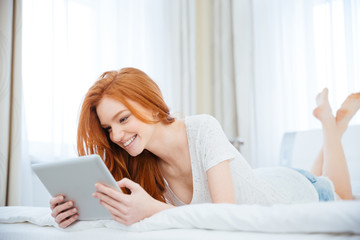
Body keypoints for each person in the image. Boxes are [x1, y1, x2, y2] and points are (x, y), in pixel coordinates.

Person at [49, 67, 360, 228]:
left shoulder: (202, 128)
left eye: (122, 118)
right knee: (314, 175)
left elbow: (224, 217)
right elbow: (130, 214)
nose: (115, 135)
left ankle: (332, 124)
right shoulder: (142, 163)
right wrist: (75, 212)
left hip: (290, 190)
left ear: (152, 106)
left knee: (341, 196)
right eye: (108, 128)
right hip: (261, 178)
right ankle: (332, 123)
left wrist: (154, 209)